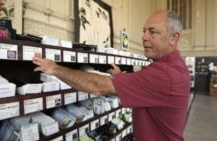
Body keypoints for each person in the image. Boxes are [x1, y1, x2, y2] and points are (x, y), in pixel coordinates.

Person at [33, 9, 190, 141]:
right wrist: (121, 76)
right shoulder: (170, 67)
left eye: (152, 32)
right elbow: (143, 86)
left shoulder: (166, 74)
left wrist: (54, 69)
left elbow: (97, 86)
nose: (144, 37)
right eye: (144, 31)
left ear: (173, 38)